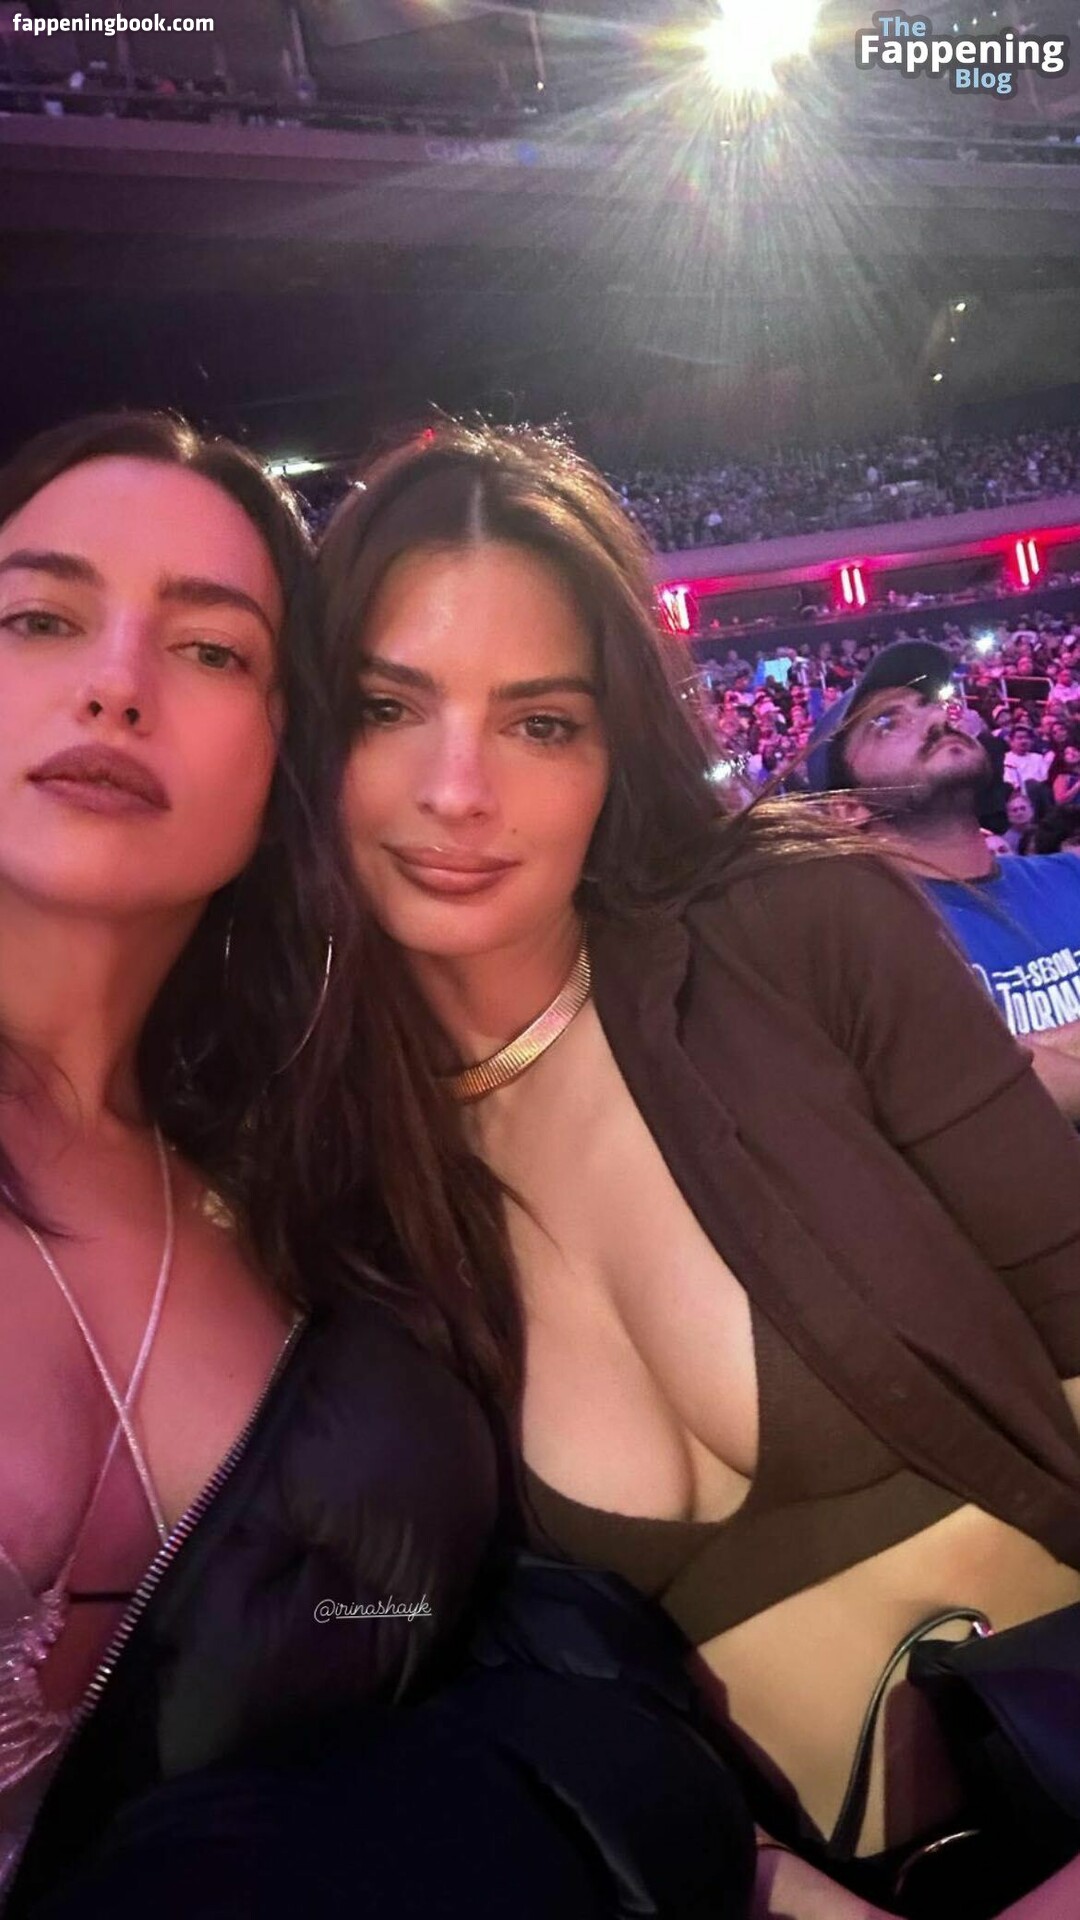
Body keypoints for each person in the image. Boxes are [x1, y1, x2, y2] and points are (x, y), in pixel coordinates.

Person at [317, 421, 1080, 1920]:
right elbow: (424, 1661)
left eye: (541, 722)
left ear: (617, 747)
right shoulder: (334, 1176)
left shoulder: (802, 933)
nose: (458, 789)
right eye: (388, 707)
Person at [0, 414, 501, 1914]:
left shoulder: (307, 1206)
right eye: (39, 618)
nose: (116, 683)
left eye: (212, 650)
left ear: (288, 755)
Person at [806, 641, 1080, 1121]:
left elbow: (978, 1080)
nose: (936, 718)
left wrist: (1017, 1054)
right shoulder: (866, 952)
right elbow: (944, 1098)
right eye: (888, 723)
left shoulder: (1068, 873)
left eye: (928, 703)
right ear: (848, 808)